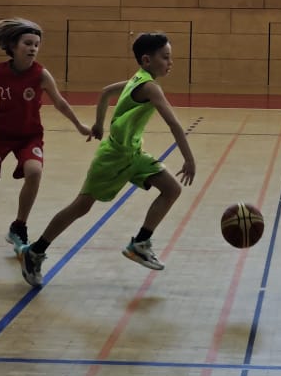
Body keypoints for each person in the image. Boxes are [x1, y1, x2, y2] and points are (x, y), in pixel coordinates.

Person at [15, 31, 198, 287]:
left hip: (133, 154)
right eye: (165, 57)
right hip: (113, 158)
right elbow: (175, 124)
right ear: (147, 60)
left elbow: (105, 92)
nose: (170, 62)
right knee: (81, 206)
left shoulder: (139, 78)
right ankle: (34, 251)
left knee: (171, 189)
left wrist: (99, 124)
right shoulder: (149, 87)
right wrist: (189, 159)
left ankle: (140, 243)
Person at [0, 18, 92, 253]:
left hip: (29, 136)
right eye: (28, 43)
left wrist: (79, 125)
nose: (33, 48)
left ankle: (19, 226)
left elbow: (60, 103)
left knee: (34, 171)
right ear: (13, 46)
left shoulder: (41, 74)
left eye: (36, 44)